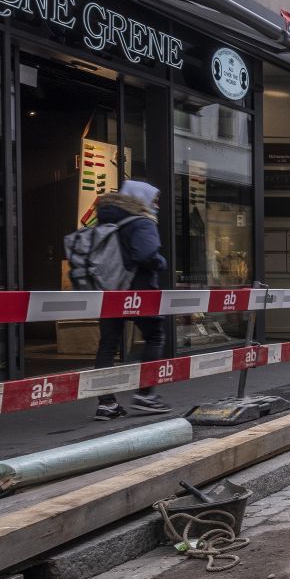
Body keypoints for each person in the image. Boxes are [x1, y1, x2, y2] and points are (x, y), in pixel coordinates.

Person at [90, 180, 171, 419]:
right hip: (139, 290)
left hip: (110, 289)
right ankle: (146, 395)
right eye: (154, 200)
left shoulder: (106, 221)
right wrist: (161, 262)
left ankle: (106, 404)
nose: (156, 205)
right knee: (155, 336)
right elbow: (147, 255)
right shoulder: (142, 221)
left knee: (107, 344)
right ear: (141, 198)